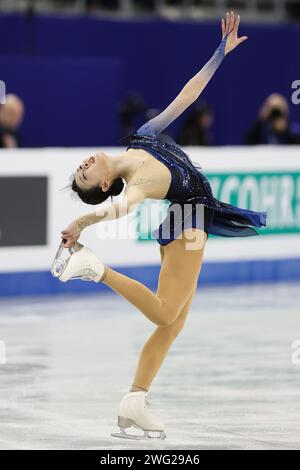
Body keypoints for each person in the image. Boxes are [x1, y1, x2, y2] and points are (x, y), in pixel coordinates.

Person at [54, 12, 267, 440]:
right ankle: (97, 271)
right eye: (85, 178)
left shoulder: (142, 136)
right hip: (188, 221)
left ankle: (135, 400)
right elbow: (123, 209)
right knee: (167, 312)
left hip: (189, 219)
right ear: (107, 183)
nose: (83, 168)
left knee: (174, 323)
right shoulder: (137, 181)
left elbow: (186, 97)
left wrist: (218, 55)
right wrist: (84, 218)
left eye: (80, 171)